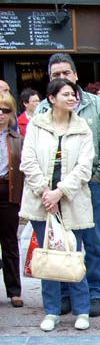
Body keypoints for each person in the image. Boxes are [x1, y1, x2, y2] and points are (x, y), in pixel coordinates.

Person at [36, 54, 100, 317]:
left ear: (76, 75)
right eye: (55, 75)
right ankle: (66, 293)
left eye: (66, 73)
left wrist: (97, 176)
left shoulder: (96, 105)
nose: (61, 78)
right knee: (60, 241)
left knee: (92, 243)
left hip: (89, 186)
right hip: (53, 191)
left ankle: (95, 292)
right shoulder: (42, 110)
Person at [20, 78, 94, 331]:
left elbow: (85, 167)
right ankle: (51, 310)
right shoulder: (36, 126)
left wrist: (60, 192)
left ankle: (81, 310)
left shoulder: (83, 127)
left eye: (73, 94)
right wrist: (45, 191)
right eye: (66, 94)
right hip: (41, 202)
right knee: (48, 256)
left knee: (74, 255)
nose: (72, 98)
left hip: (72, 201)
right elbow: (27, 161)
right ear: (51, 98)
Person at [0, 92, 24, 307]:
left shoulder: (17, 140)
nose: (0, 114)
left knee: (9, 242)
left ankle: (14, 290)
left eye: (5, 110)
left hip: (8, 191)